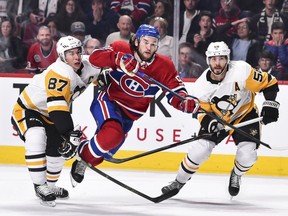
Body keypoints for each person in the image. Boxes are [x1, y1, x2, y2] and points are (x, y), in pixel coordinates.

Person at [69, 24, 200, 187]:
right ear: (137, 41)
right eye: (145, 42)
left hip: (130, 116)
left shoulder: (164, 65)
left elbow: (175, 91)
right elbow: (94, 58)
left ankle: (82, 143)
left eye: (153, 43)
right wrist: (117, 59)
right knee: (112, 135)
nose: (149, 47)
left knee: (101, 155)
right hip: (109, 100)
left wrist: (183, 102)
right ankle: (82, 158)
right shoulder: (121, 48)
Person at [161, 41, 279, 198]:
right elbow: (200, 111)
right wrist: (210, 123)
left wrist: (270, 104)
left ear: (228, 59)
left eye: (222, 58)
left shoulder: (241, 71)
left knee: (248, 155)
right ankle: (178, 182)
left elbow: (270, 83)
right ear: (208, 60)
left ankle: (236, 175)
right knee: (199, 151)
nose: (217, 63)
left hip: (245, 114)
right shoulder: (200, 86)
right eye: (213, 59)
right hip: (218, 118)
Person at [11, 35, 101, 207]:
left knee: (58, 152)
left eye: (78, 52)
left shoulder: (88, 65)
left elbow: (105, 73)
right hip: (29, 109)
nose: (76, 57)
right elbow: (57, 108)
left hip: (50, 114)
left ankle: (50, 187)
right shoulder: (59, 72)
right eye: (70, 54)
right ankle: (39, 185)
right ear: (61, 56)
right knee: (36, 136)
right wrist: (68, 133)